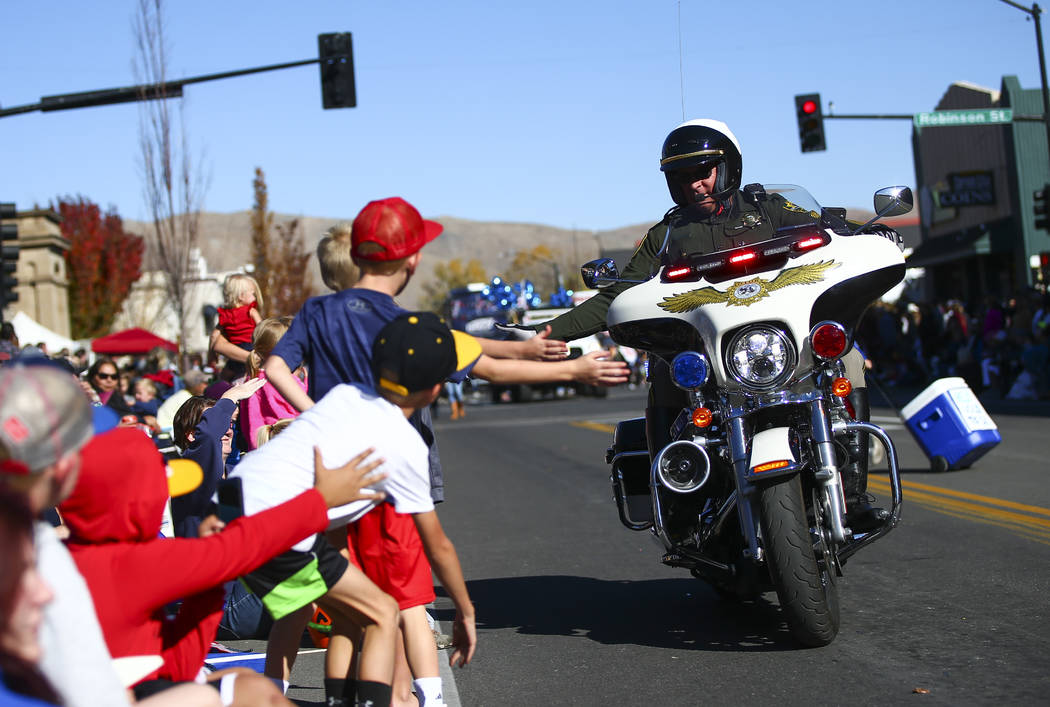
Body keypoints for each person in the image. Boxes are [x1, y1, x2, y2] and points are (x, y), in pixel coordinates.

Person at [532, 118, 899, 532]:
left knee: (847, 358)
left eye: (702, 172)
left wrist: (869, 236)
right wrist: (546, 333)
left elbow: (830, 233)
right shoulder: (668, 236)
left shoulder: (768, 208)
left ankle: (852, 493)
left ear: (727, 168)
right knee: (665, 372)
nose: (694, 184)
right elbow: (617, 295)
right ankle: (678, 503)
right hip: (706, 355)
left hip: (781, 344)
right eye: (682, 177)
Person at [234, 313, 479, 707]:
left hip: (238, 505)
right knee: (382, 611)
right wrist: (465, 613)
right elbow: (439, 547)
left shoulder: (345, 398)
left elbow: (330, 515)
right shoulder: (404, 443)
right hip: (277, 525)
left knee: (342, 613)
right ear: (434, 390)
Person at [57, 422, 388, 705]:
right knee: (250, 691)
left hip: (112, 683)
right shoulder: (133, 560)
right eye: (161, 491)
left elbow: (178, 660)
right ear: (131, 502)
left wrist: (208, 587)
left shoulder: (71, 553)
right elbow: (240, 547)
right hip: (114, 693)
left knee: (242, 681)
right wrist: (318, 501)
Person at [169, 377, 267, 537]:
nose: (229, 432)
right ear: (192, 436)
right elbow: (208, 436)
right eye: (221, 425)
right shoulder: (188, 473)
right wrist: (229, 398)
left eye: (230, 424)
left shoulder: (234, 472)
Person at [239, 316, 306, 450]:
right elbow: (305, 411)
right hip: (289, 448)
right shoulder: (284, 381)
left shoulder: (252, 380)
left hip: (260, 450)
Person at [209, 274, 263, 379]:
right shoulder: (250, 311)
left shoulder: (225, 315)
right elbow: (262, 328)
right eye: (253, 294)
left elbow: (214, 335)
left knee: (225, 375)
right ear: (241, 296)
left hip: (234, 353)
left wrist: (211, 356)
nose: (254, 297)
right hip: (250, 347)